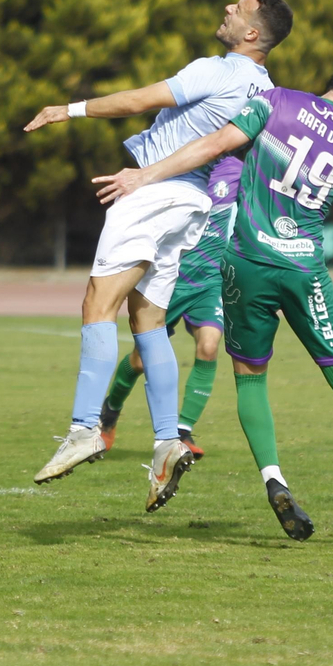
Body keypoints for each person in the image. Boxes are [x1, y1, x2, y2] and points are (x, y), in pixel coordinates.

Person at [93, 55, 333, 541]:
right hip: (304, 266)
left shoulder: (275, 101)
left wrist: (144, 175)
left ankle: (274, 479)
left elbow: (216, 144)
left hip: (248, 262)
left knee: (250, 379)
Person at [24, 0, 293, 512]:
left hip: (155, 193)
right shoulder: (265, 88)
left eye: (237, 9)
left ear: (253, 33)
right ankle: (168, 437)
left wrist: (69, 109)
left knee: (96, 305)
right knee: (147, 323)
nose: (226, 9)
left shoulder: (221, 69)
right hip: (191, 202)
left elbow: (142, 99)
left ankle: (84, 428)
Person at [97, 154, 243, 458]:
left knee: (209, 346)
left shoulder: (238, 172)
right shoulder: (176, 166)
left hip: (210, 281)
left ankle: (182, 432)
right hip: (171, 276)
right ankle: (110, 411)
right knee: (140, 360)